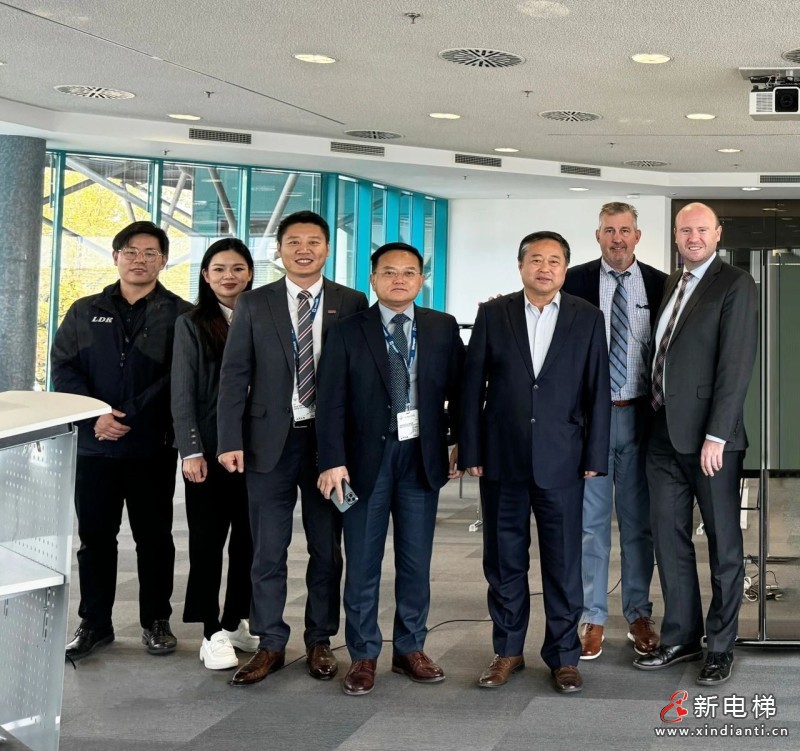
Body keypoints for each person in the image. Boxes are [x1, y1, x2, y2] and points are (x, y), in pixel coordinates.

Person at [217, 210, 368, 686]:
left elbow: (357, 377)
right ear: (279, 250)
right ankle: (270, 642)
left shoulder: (351, 300)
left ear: (327, 249)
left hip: (329, 446)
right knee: (268, 549)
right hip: (268, 443)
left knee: (326, 548)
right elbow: (234, 374)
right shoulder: (254, 302)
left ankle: (320, 639)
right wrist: (228, 439)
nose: (304, 250)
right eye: (294, 242)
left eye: (314, 241)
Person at [460, 231, 610, 694]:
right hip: (501, 458)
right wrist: (471, 450)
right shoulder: (493, 314)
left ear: (565, 268)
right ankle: (507, 651)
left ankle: (564, 656)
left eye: (554, 261)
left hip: (563, 459)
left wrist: (595, 454)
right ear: (521, 265)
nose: (545, 268)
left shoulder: (587, 317)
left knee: (563, 563)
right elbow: (471, 387)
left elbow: (597, 389)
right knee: (504, 560)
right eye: (537, 260)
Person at [316, 242, 465, 696]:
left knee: (416, 562)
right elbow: (330, 400)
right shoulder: (347, 330)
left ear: (422, 280)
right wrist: (332, 460)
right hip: (363, 462)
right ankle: (363, 654)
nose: (399, 279)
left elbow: (460, 390)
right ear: (373, 279)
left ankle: (410, 649)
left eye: (409, 272)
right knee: (362, 562)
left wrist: (460, 441)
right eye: (389, 272)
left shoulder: (441, 326)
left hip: (420, 456)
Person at [51, 220, 192, 660]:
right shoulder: (84, 310)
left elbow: (180, 378)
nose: (139, 260)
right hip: (95, 445)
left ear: (163, 261)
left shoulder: (181, 314)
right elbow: (64, 368)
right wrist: (96, 415)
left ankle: (156, 621)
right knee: (95, 538)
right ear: (115, 256)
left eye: (150, 253)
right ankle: (95, 623)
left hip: (151, 446)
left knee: (155, 538)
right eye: (131, 251)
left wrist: (126, 414)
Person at [634, 202, 758, 685]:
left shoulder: (735, 284)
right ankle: (682, 636)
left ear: (718, 234)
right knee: (669, 539)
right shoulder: (673, 282)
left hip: (711, 442)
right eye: (685, 230)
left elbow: (735, 365)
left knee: (724, 545)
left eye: (702, 229)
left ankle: (720, 646)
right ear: (675, 235)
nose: (694, 237)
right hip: (662, 433)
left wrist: (717, 435)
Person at [562, 202, 667, 660]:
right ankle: (593, 616)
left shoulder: (661, 285)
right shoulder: (574, 282)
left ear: (637, 236)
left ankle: (639, 613)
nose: (617, 238)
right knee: (591, 525)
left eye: (625, 230)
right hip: (592, 421)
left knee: (639, 524)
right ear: (598, 235)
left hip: (642, 418)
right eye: (609, 230)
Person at [171, 238, 259, 670]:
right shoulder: (191, 324)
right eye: (219, 269)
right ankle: (210, 630)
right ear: (205, 276)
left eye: (238, 268)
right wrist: (191, 450)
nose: (229, 276)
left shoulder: (263, 317)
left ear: (250, 274)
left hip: (257, 450)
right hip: (207, 450)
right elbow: (182, 390)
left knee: (249, 541)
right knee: (207, 542)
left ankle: (234, 619)